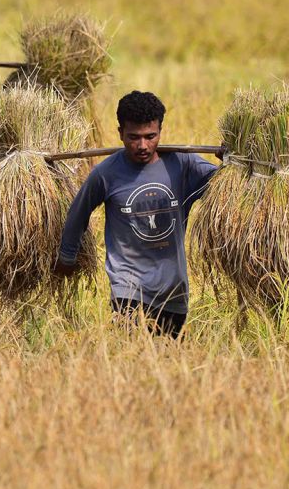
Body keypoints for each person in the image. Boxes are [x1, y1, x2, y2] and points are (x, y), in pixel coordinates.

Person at [54, 91, 219, 338]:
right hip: (127, 285)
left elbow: (223, 189)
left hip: (173, 288)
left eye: (150, 137)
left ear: (160, 131)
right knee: (132, 353)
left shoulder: (183, 165)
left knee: (167, 362)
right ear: (120, 132)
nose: (142, 146)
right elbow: (79, 213)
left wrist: (231, 164)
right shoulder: (106, 173)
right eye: (133, 137)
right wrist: (67, 257)